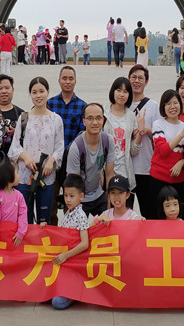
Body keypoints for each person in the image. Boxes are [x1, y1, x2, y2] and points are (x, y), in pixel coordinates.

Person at [8, 76, 64, 224]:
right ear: (30, 94)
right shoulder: (23, 118)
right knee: (24, 219)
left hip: (46, 176)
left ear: (48, 92)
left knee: (44, 220)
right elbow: (15, 146)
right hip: (24, 176)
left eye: (41, 91)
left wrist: (51, 161)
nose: (38, 95)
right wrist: (24, 156)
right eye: (34, 92)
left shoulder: (56, 119)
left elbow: (60, 147)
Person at [47, 65, 87, 223]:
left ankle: (69, 232)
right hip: (52, 163)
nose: (67, 82)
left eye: (71, 78)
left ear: (75, 81)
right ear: (59, 80)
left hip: (73, 164)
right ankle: (52, 233)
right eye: (64, 78)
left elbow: (83, 135)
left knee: (71, 205)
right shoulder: (50, 104)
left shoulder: (83, 106)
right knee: (50, 204)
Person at [50, 174, 91, 310]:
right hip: (65, 263)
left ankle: (74, 294)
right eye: (66, 195)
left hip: (73, 264)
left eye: (72, 196)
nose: (68, 199)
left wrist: (65, 255)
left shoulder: (80, 215)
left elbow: (85, 243)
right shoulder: (68, 212)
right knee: (45, 294)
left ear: (81, 196)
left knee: (57, 302)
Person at [148, 90, 184, 218]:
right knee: (156, 216)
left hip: (177, 181)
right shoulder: (158, 124)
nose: (172, 107)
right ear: (163, 107)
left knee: (177, 217)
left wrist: (182, 162)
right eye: (168, 104)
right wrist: (181, 135)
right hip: (158, 179)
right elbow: (162, 150)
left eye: (175, 103)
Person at [66, 103, 115, 217]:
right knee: (79, 227)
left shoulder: (108, 141)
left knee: (109, 223)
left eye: (98, 118)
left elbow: (109, 174)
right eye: (90, 118)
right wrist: (75, 209)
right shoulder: (76, 147)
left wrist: (110, 201)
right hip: (81, 197)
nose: (95, 122)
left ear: (103, 120)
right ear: (84, 121)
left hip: (98, 193)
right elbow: (73, 183)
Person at [127, 64, 162, 219]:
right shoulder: (122, 104)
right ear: (128, 79)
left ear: (146, 82)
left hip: (146, 168)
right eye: (133, 77)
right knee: (124, 216)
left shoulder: (153, 107)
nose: (137, 81)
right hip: (125, 169)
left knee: (149, 214)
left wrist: (146, 130)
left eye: (140, 78)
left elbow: (160, 138)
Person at [104, 77, 139, 204]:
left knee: (125, 212)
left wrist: (140, 132)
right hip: (106, 171)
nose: (122, 94)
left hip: (125, 172)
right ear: (113, 91)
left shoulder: (131, 116)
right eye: (119, 90)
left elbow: (134, 151)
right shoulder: (103, 113)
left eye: (125, 91)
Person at [0, 160, 28, 249]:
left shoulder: (19, 196)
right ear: (8, 176)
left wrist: (21, 232)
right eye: (17, 172)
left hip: (14, 236)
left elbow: (23, 214)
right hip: (0, 236)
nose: (19, 175)